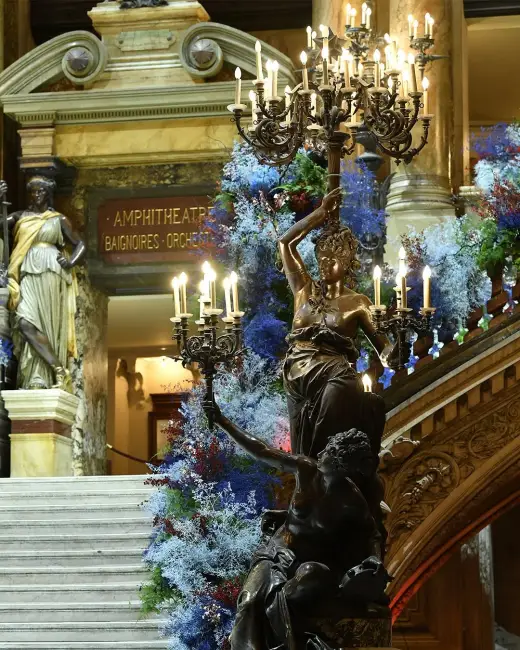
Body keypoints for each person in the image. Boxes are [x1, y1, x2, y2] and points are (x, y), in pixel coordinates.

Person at [214, 408, 390, 650]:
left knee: (308, 578)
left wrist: (374, 560)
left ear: (340, 463)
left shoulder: (350, 500)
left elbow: (372, 534)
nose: (320, 452)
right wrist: (222, 421)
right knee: (248, 601)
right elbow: (262, 451)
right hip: (278, 552)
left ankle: (286, 631)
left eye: (328, 451)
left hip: (311, 562)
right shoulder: (306, 469)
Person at [278, 187, 394, 460]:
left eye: (332, 260)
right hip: (297, 373)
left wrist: (394, 350)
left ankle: (326, 473)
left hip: (334, 375)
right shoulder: (303, 290)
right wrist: (320, 213)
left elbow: (384, 349)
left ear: (346, 263)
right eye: (321, 259)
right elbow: (285, 243)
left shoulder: (359, 302)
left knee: (325, 440)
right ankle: (308, 484)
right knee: (300, 451)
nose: (324, 264)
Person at [0, 177, 85, 390]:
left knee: (47, 324)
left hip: (51, 273)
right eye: (32, 192)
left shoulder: (58, 219)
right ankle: (57, 369)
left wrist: (71, 261)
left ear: (47, 194)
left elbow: (80, 244)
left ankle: (45, 377)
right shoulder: (21, 217)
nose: (35, 196)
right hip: (27, 270)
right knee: (25, 322)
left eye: (39, 192)